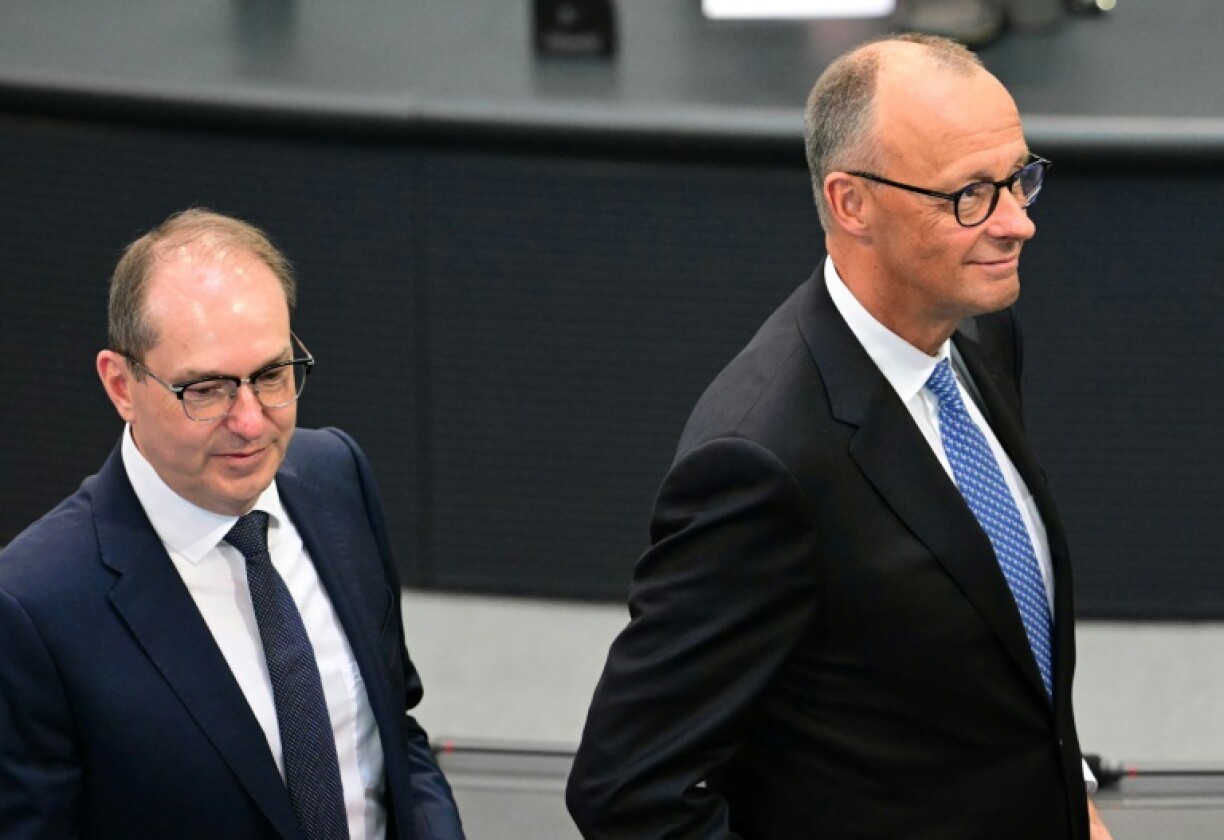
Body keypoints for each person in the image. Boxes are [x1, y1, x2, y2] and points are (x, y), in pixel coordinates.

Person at [567, 34, 1112, 840]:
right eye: (970, 195)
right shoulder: (759, 461)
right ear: (852, 202)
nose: (1017, 223)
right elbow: (629, 790)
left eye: (1020, 179)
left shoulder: (979, 336)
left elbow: (986, 657)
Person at [0, 209, 465, 839]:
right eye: (208, 389)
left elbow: (394, 733)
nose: (251, 422)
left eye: (273, 375)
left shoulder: (337, 475)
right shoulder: (33, 607)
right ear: (120, 385)